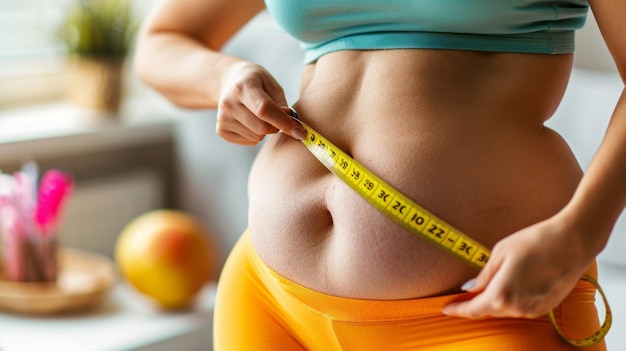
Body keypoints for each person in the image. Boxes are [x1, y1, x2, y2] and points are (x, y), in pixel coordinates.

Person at [134, 0, 626, 350]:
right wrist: (223, 76)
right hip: (270, 299)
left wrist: (579, 234)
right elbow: (163, 41)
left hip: (488, 311)